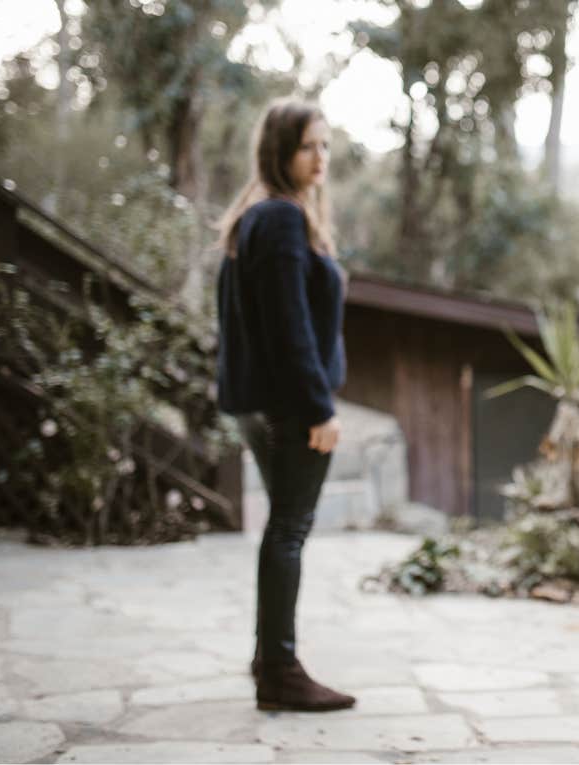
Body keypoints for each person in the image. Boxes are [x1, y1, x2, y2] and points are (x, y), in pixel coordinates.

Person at [215, 98, 353, 712]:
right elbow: (288, 327)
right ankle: (280, 670)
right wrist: (319, 409)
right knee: (288, 530)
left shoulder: (262, 216)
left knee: (283, 529)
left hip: (270, 405)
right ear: (280, 152)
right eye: (307, 146)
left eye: (325, 145)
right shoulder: (280, 221)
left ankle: (269, 658)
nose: (320, 157)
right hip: (289, 408)